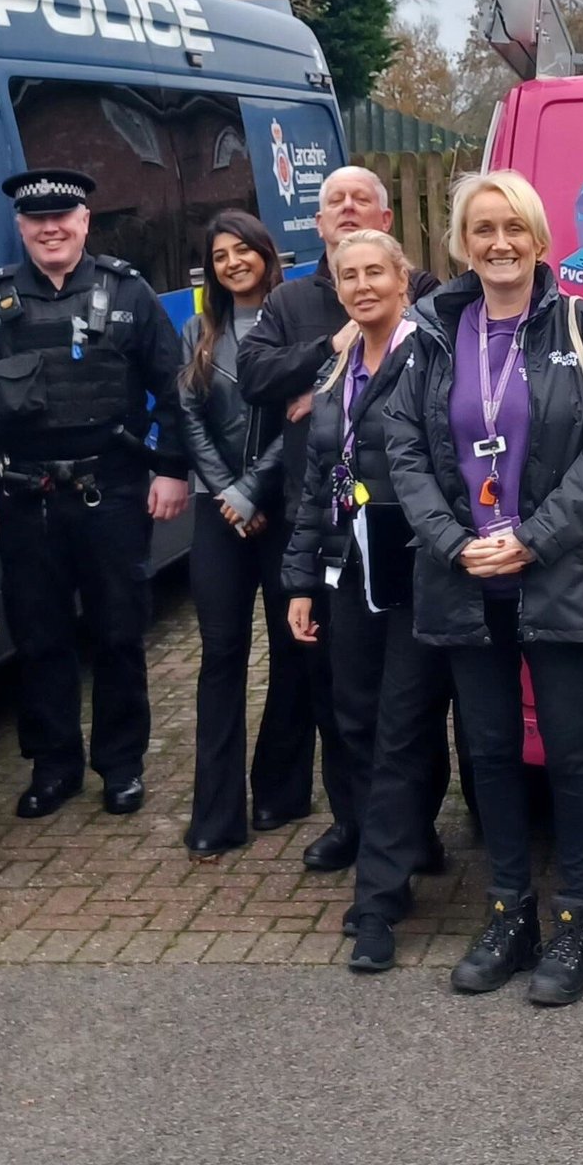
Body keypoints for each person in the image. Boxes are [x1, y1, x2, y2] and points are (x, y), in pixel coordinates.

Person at [383, 170, 583, 1006]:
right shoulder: (429, 331)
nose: (499, 243)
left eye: (514, 228)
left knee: (569, 754)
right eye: (482, 228)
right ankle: (508, 911)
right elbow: (404, 451)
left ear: (540, 240)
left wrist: (533, 539)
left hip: (554, 573)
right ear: (462, 243)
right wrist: (455, 543)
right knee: (490, 753)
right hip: (461, 578)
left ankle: (575, 924)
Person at [0, 169, 189, 820]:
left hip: (110, 489)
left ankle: (121, 765)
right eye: (37, 219)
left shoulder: (127, 291)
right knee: (40, 639)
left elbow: (173, 388)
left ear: (86, 222)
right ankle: (54, 766)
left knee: (118, 633)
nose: (51, 228)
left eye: (64, 216)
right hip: (26, 496)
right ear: (21, 228)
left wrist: (172, 468)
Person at [238, 165, 440, 870]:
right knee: (334, 692)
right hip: (318, 522)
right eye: (334, 203)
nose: (348, 210)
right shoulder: (291, 301)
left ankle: (417, 832)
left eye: (362, 201)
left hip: (404, 532)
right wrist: (327, 359)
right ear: (319, 226)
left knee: (410, 702)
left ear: (387, 224)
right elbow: (254, 377)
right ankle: (351, 823)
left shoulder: (428, 299)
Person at [282, 230, 453, 972]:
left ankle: (378, 899)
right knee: (350, 720)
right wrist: (300, 579)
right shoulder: (336, 366)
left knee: (400, 728)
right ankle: (405, 845)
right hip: (348, 570)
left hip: (416, 567)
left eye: (374, 272)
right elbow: (321, 478)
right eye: (347, 276)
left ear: (402, 278)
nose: (360, 286)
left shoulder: (433, 355)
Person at [178, 212, 318, 857]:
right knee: (221, 655)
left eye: (243, 250)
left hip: (279, 506)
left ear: (266, 254)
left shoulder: (289, 324)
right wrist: (224, 491)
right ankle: (216, 812)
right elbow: (189, 414)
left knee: (294, 653)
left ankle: (282, 790)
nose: (232, 262)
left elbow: (297, 421)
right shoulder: (197, 331)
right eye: (220, 254)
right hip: (217, 512)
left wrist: (252, 490)